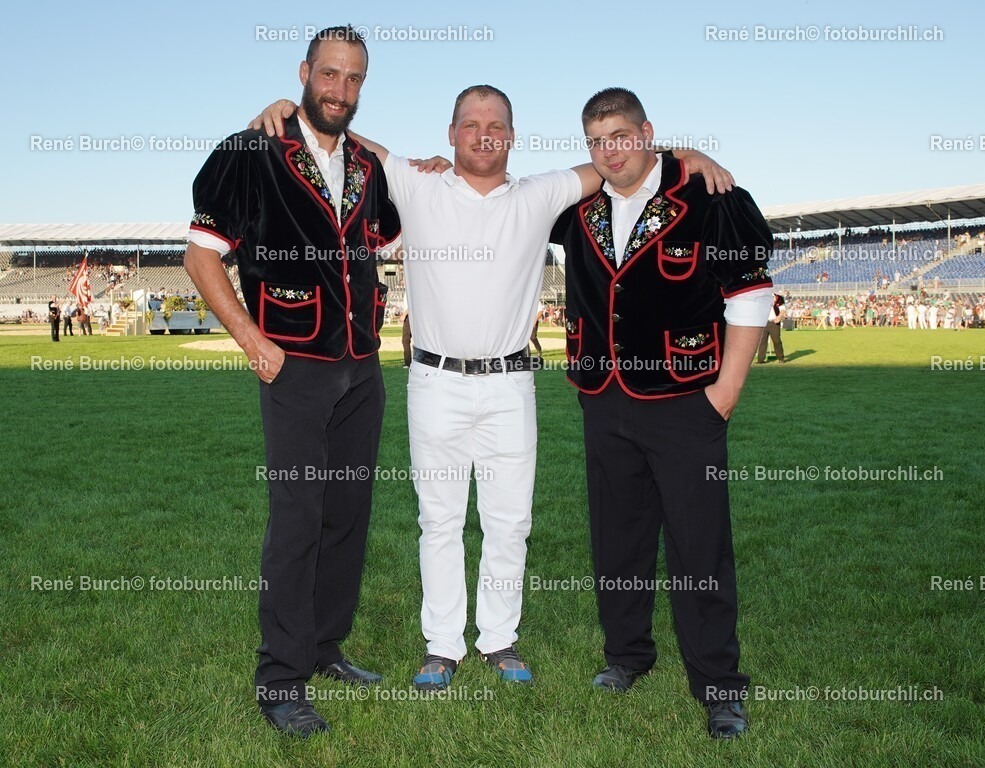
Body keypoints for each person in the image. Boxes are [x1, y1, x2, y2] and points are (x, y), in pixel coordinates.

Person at [252, 87, 734, 693]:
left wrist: (685, 154)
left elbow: (626, 161)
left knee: (510, 522)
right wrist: (286, 113)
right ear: (450, 132)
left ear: (513, 134)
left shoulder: (542, 193)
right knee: (439, 521)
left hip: (510, 385)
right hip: (435, 382)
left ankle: (499, 638)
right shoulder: (416, 183)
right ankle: (442, 645)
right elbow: (339, 135)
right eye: (471, 124)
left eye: (497, 125)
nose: (484, 135)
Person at [183, 26, 402, 738]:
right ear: (304, 71)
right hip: (295, 364)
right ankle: (280, 678)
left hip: (361, 367)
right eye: (330, 74)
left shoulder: (366, 165)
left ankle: (324, 648)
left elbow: (395, 232)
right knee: (298, 519)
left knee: (347, 515)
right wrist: (253, 342)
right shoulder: (252, 152)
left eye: (354, 78)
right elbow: (200, 257)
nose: (341, 89)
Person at [551, 87, 774, 739]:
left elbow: (749, 293)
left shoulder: (710, 196)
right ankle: (626, 656)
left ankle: (719, 684)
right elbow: (504, 197)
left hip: (685, 400)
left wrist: (725, 393)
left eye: (621, 136)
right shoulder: (577, 207)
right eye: (597, 142)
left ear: (647, 132)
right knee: (617, 537)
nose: (610, 152)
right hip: (604, 397)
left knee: (699, 545)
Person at [755, 293, 786, 364]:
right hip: (764, 322)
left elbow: (782, 310)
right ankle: (760, 360)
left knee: (776, 341)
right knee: (762, 341)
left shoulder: (778, 298)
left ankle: (781, 358)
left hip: (774, 322)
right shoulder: (761, 298)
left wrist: (779, 317)